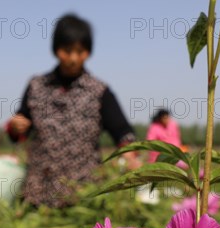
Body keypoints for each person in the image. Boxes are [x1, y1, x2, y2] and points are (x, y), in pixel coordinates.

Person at [7, 14, 138, 208]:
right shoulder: (37, 86)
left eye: (80, 51)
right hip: (40, 192)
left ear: (88, 52)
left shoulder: (99, 91)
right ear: (56, 49)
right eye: (67, 51)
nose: (74, 58)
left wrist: (130, 155)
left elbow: (121, 130)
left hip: (84, 193)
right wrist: (15, 126)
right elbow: (20, 128)